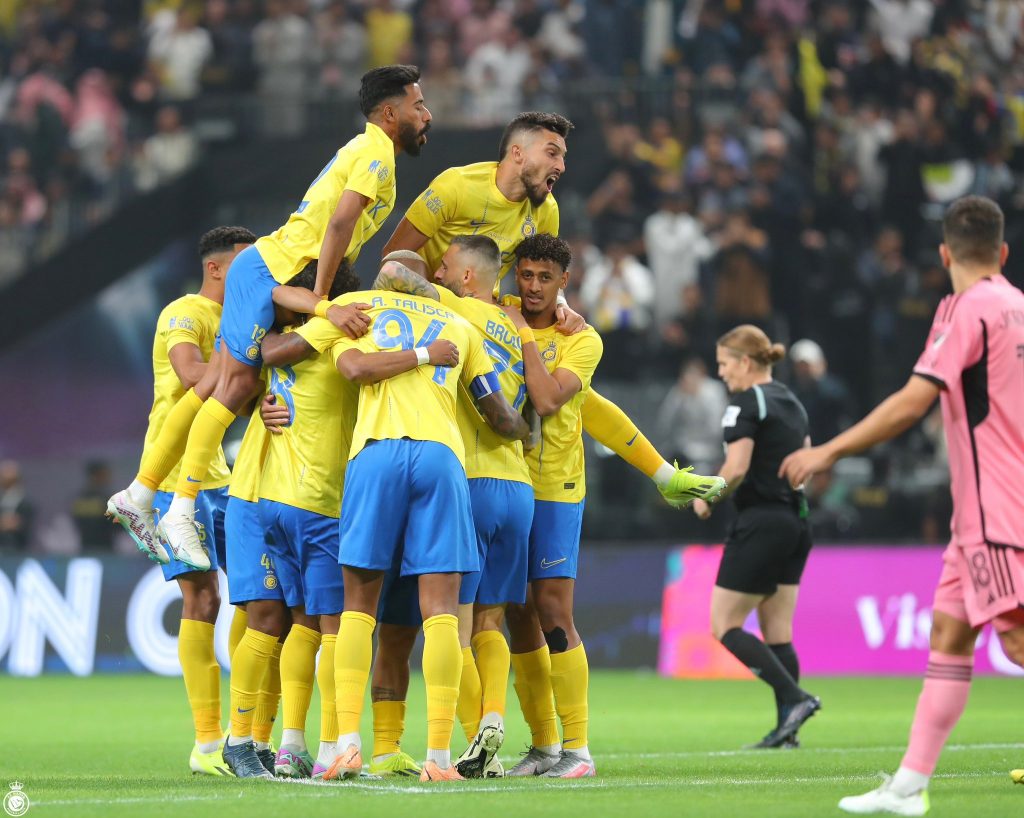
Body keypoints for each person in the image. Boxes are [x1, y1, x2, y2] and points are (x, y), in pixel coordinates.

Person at [107, 64, 432, 570]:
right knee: (229, 388)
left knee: (216, 384)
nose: (426, 115)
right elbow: (342, 222)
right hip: (268, 272)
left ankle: (141, 493)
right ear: (390, 113)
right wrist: (324, 299)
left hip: (270, 272)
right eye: (418, 105)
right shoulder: (375, 153)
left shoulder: (366, 147)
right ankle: (179, 505)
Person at [781, 195, 1024, 815]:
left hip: (997, 512)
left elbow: (914, 401)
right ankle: (909, 787)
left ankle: (909, 785)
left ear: (945, 253)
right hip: (979, 516)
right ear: (1001, 252)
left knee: (1019, 641)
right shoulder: (1016, 306)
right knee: (948, 633)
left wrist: (828, 451)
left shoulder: (967, 309)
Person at [381, 110, 723, 511]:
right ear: (518, 153)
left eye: (563, 156)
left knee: (570, 387)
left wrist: (561, 305)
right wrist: (436, 304)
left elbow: (542, 269)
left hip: (486, 312)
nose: (561, 165)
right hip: (436, 315)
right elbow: (395, 257)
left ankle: (663, 475)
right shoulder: (456, 187)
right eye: (552, 153)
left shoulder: (546, 210)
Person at [279, 275, 530, 783]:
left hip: (376, 454)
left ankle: (347, 746)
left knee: (358, 607)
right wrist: (531, 428)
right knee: (441, 612)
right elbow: (496, 412)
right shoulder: (459, 326)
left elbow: (349, 367)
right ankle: (438, 759)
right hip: (442, 459)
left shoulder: (356, 306)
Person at [372, 237, 535, 779]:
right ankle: (504, 721)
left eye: (446, 267)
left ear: (467, 278)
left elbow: (396, 271)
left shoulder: (448, 311)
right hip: (519, 486)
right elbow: (528, 406)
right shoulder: (516, 327)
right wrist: (528, 433)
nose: (437, 274)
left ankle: (466, 742)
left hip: (465, 479)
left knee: (452, 623)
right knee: (493, 620)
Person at [125, 226, 254, 775]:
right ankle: (207, 743)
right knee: (201, 600)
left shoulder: (238, 319)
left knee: (255, 596)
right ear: (219, 268)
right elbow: (191, 373)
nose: (257, 274)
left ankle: (248, 733)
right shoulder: (185, 310)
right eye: (247, 264)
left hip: (221, 475)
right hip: (177, 474)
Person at [496, 234, 601, 778]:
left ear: (564, 283)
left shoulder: (583, 341)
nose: (532, 287)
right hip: (508, 484)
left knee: (555, 611)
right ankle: (543, 746)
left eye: (544, 278)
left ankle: (578, 749)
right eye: (526, 275)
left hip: (557, 489)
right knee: (519, 616)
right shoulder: (500, 310)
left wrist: (524, 338)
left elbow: (546, 399)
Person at [691, 325, 821, 750]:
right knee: (778, 630)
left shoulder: (746, 402)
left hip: (761, 521)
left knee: (724, 624)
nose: (722, 373)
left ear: (745, 363)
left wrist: (708, 495)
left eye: (725, 364)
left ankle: (794, 697)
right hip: (796, 521)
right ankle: (789, 731)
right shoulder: (792, 402)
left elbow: (737, 466)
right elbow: (807, 463)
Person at [72, 460, 117, 550]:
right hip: (104, 548)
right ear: (94, 476)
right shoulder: (106, 500)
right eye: (103, 475)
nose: (107, 478)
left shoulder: (79, 499)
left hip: (86, 547)